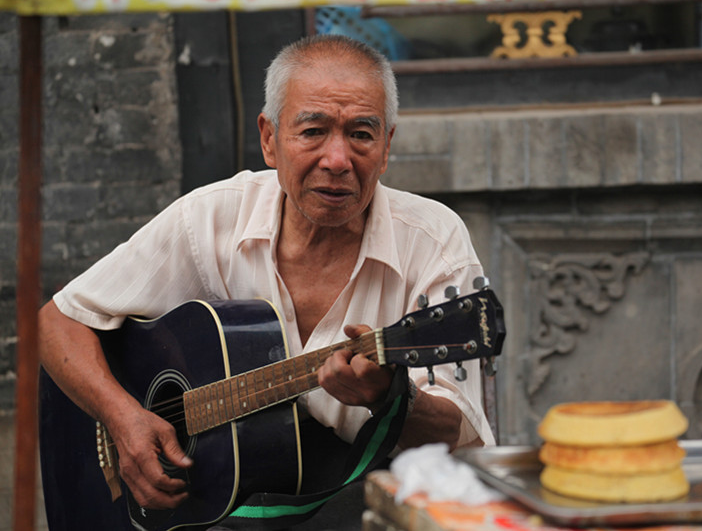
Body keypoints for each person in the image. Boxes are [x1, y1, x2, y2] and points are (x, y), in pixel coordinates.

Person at [38, 34, 495, 528]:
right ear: (270, 139)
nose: (338, 159)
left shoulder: (433, 241)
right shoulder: (210, 218)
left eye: (361, 134)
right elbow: (57, 321)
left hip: (354, 495)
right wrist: (124, 418)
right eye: (313, 131)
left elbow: (459, 432)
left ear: (387, 148)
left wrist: (393, 397)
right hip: (220, 499)